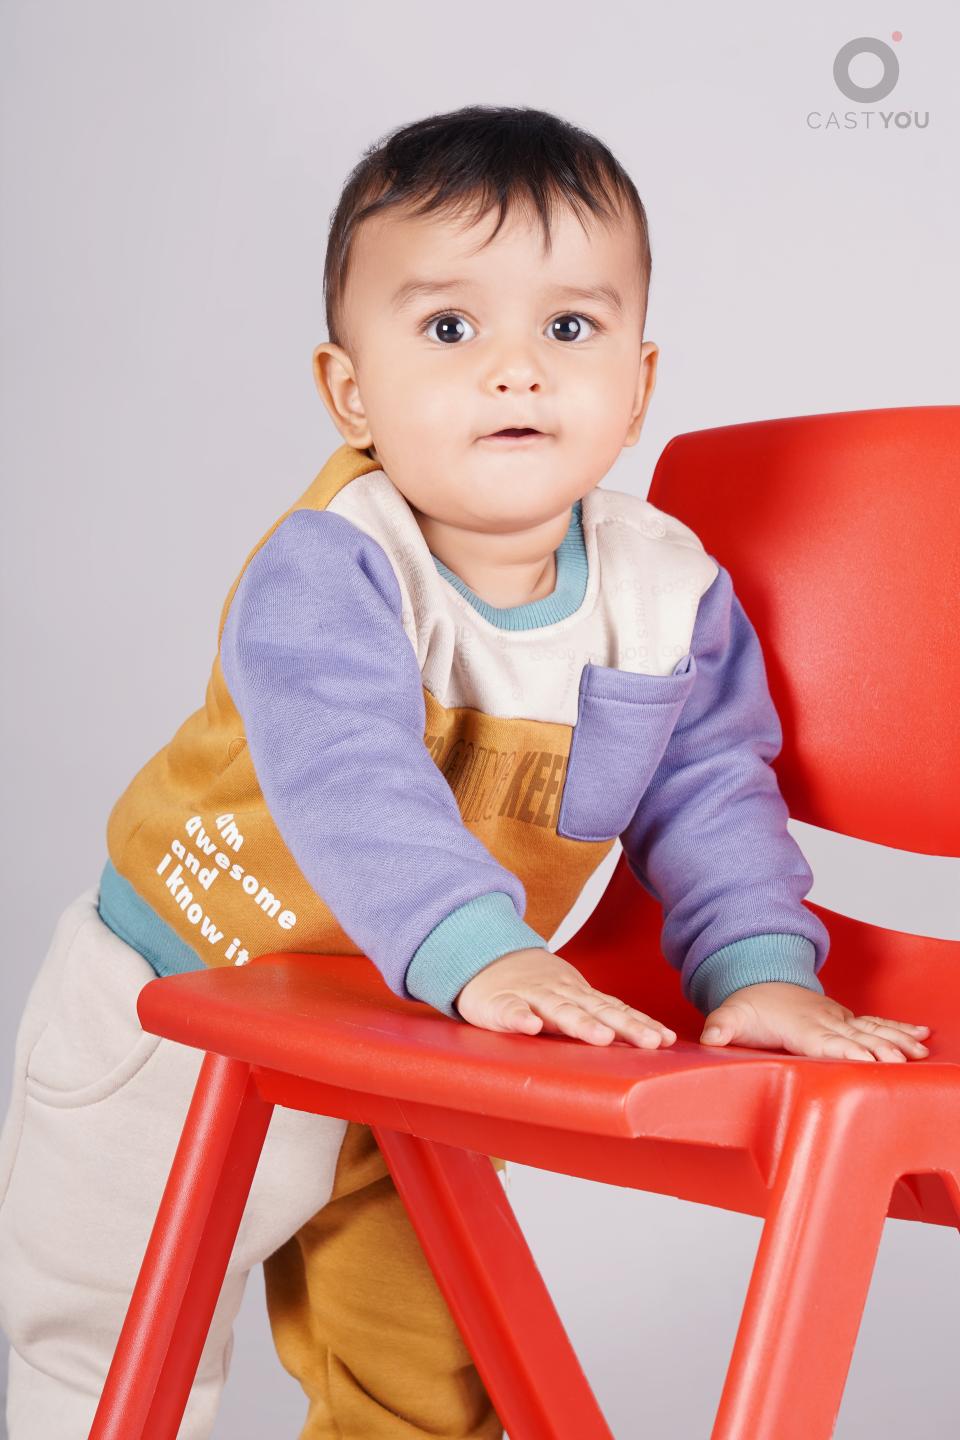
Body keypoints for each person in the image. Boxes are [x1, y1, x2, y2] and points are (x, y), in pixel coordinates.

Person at [0, 103, 931, 1440]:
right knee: (112, 1351)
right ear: (350, 391)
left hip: (419, 1037)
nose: (517, 372)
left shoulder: (668, 591)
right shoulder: (335, 561)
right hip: (182, 1002)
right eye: (450, 328)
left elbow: (712, 795)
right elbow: (351, 775)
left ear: (640, 385)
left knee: (428, 1382)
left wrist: (762, 972)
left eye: (570, 328)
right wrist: (481, 951)